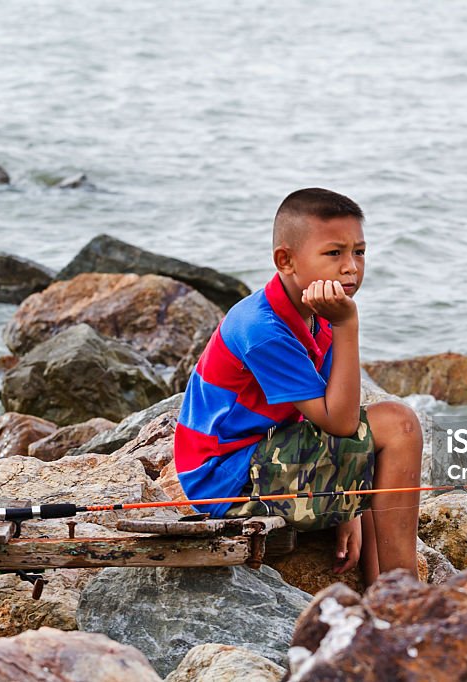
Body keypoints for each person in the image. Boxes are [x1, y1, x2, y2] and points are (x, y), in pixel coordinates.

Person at [174, 188, 422, 585]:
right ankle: (402, 592)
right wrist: (348, 325)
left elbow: (328, 415)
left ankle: (385, 595)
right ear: (285, 261)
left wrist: (349, 506)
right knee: (398, 425)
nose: (351, 268)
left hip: (265, 451)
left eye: (359, 252)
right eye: (334, 253)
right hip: (227, 479)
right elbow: (340, 424)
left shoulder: (314, 312)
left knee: (385, 429)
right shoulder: (263, 329)